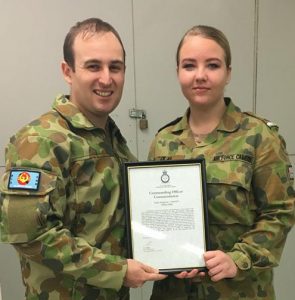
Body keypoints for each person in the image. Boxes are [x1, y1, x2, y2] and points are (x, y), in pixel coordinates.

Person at [0, 18, 166, 300]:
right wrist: (117, 270)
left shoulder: (113, 140)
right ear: (68, 71)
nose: (106, 78)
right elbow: (29, 235)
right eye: (93, 66)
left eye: (115, 67)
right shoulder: (39, 141)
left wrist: (179, 251)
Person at [148, 25, 295, 300]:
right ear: (178, 72)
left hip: (240, 291)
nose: (200, 75)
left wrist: (237, 258)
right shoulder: (163, 141)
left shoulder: (258, 136)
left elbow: (281, 212)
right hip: (174, 292)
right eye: (189, 65)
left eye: (212, 65)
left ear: (228, 72)